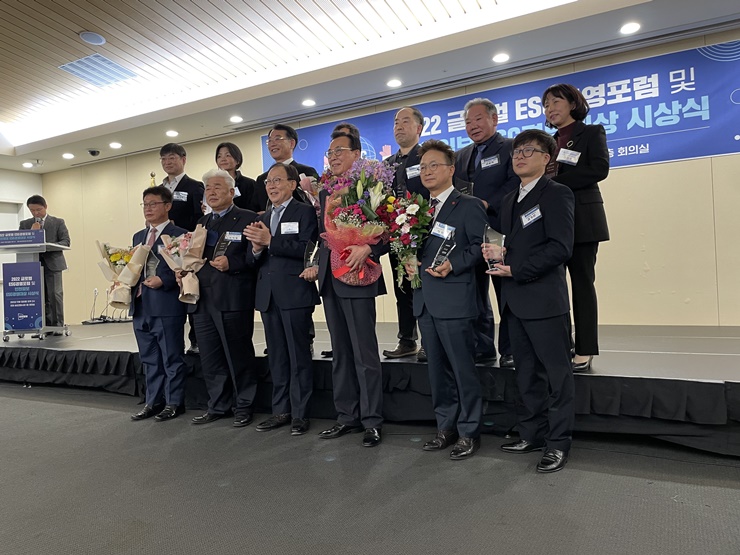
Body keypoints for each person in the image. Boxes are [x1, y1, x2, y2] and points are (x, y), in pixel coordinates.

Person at [483, 129, 575, 473]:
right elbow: (513, 244)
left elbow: (560, 247)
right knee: (526, 374)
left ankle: (558, 443)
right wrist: (498, 253)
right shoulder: (510, 199)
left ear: (546, 158)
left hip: (544, 300)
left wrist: (517, 268)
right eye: (516, 152)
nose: (519, 157)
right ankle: (532, 434)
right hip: (514, 301)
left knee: (557, 376)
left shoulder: (557, 194)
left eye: (528, 151)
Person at [406, 140, 488, 460]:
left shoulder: (468, 205)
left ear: (451, 169)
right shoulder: (416, 209)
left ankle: (469, 431)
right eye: (423, 167)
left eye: (434, 165)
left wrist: (453, 264)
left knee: (462, 370)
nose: (427, 171)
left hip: (454, 299)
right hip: (425, 300)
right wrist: (407, 260)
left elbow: (480, 247)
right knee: (437, 372)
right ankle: (446, 427)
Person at [305, 131, 388, 448]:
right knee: (340, 352)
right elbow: (322, 234)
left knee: (364, 353)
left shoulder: (371, 184)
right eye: (330, 152)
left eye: (340, 150)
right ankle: (346, 416)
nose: (333, 156)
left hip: (357, 273)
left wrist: (369, 248)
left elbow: (387, 228)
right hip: (330, 277)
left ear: (357, 153)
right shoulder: (326, 189)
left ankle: (372, 421)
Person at [244, 163, 320, 436]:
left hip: (294, 292)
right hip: (268, 295)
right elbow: (252, 260)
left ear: (292, 184)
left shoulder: (305, 211)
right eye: (268, 182)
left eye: (277, 180)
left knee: (298, 356)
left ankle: (300, 414)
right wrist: (255, 248)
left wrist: (270, 241)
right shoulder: (263, 217)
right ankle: (280, 411)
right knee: (276, 357)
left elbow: (307, 249)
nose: (272, 186)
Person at [542, 83, 610, 373]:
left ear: (573, 103)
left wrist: (553, 185)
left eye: (556, 101)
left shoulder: (591, 132)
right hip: (553, 222)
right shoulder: (548, 142)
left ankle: (585, 348)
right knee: (554, 287)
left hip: (583, 220)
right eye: (546, 105)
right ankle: (562, 344)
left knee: (582, 284)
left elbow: (599, 169)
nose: (550, 108)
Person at [188, 169, 259, 428]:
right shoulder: (202, 222)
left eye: (217, 187)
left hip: (232, 297)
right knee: (210, 356)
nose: (212, 192)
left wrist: (233, 263)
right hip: (202, 299)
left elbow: (256, 258)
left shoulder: (248, 218)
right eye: (208, 188)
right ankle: (218, 405)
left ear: (231, 191)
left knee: (238, 355)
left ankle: (244, 405)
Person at [454, 98, 519, 368]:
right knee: (476, 293)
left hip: (500, 230)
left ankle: (511, 349)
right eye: (468, 122)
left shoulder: (511, 147)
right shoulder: (461, 155)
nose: (472, 125)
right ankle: (483, 347)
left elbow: (515, 183)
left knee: (506, 293)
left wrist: (487, 203)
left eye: (478, 119)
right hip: (471, 235)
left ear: (494, 119)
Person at [129, 187, 189, 422]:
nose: (148, 208)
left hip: (166, 304)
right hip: (140, 305)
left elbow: (185, 269)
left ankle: (174, 402)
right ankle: (153, 401)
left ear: (168, 206)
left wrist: (165, 280)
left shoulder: (179, 235)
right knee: (149, 358)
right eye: (145, 204)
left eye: (153, 204)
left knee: (171, 356)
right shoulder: (138, 236)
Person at [382, 106, 428, 361]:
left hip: (423, 233)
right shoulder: (387, 165)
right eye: (396, 122)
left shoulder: (427, 156)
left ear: (419, 128)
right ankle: (407, 340)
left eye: (405, 121)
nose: (399, 126)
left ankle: (429, 342)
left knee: (424, 287)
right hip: (395, 236)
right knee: (402, 288)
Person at [159, 142, 205, 354]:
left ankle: (196, 340)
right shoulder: (159, 188)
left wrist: (184, 236)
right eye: (164, 159)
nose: (167, 162)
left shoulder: (194, 186)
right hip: (164, 250)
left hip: (187, 248)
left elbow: (200, 219)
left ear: (183, 160)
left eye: (172, 158)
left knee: (190, 291)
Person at [19, 195, 70, 331]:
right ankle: (43, 327)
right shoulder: (25, 224)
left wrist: (46, 244)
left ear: (45, 207)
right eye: (32, 210)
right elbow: (20, 243)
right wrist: (32, 234)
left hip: (53, 264)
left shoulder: (58, 222)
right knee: (39, 296)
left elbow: (65, 242)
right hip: (33, 265)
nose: (36, 213)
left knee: (54, 295)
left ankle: (57, 327)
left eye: (39, 210)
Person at [256, 124, 320, 211]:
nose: (272, 144)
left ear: (291, 143)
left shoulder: (305, 171)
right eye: (269, 141)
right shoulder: (261, 179)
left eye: (277, 139)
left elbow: (315, 204)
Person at [215, 142, 261, 213]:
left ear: (238, 160)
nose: (223, 159)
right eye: (219, 156)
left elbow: (254, 209)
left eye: (228, 155)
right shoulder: (214, 185)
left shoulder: (249, 184)